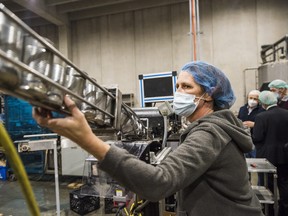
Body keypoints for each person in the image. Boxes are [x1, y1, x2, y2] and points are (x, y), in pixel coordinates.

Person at [33, 61, 264, 216]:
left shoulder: (209, 133)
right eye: (177, 86)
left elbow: (159, 183)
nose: (178, 93)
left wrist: (88, 140)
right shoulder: (214, 127)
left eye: (187, 87)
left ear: (209, 94)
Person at [253, 90, 288, 216]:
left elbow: (257, 137)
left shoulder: (261, 117)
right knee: (284, 183)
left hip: (267, 157)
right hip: (285, 155)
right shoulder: (286, 114)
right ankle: (284, 210)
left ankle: (270, 211)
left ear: (263, 103)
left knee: (268, 185)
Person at [237, 90, 265, 158]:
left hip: (256, 141)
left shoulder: (262, 110)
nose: (252, 100)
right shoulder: (242, 109)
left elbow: (266, 125)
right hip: (244, 139)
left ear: (259, 100)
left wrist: (255, 124)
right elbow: (238, 120)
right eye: (250, 98)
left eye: (255, 99)